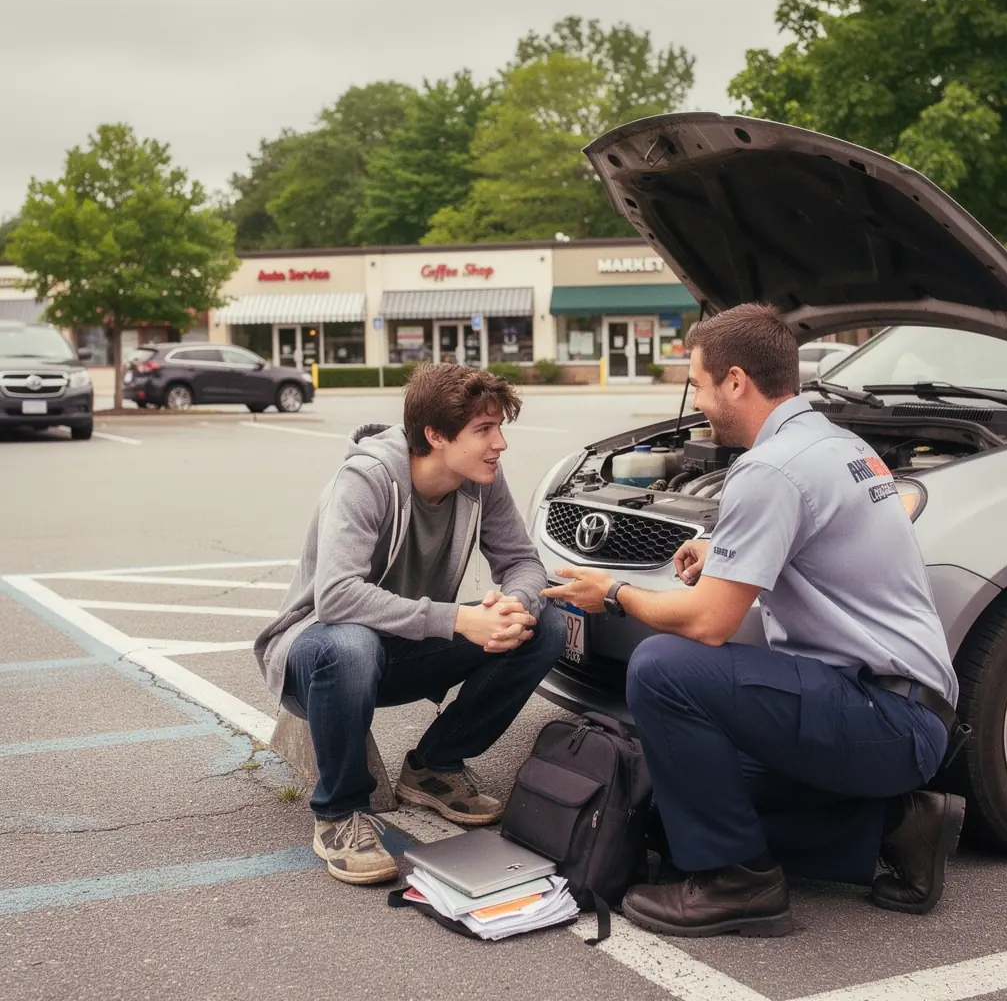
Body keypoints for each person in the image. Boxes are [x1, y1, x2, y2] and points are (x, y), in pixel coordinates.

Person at [543, 303, 965, 938]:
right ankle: (900, 826)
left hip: (884, 714)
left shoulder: (769, 468)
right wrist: (722, 549)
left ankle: (739, 883)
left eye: (699, 384)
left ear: (736, 381)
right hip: (903, 711)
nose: (697, 402)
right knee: (671, 802)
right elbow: (820, 535)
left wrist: (614, 592)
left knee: (660, 667)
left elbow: (709, 623)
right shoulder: (834, 443)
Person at [255, 363, 565, 886]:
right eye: (484, 429)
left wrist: (513, 605)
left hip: (401, 648)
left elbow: (522, 562)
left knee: (546, 622)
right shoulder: (367, 479)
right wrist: (459, 619)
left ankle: (434, 767)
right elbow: (336, 597)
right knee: (352, 645)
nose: (500, 443)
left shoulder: (480, 480)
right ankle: (340, 813)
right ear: (436, 435)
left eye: (498, 427)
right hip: (320, 655)